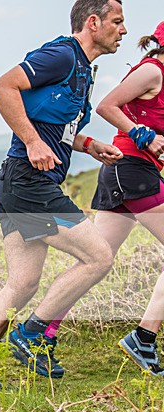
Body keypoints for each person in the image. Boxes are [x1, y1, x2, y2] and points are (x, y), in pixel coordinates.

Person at [0, 0, 126, 389]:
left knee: (23, 283)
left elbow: (56, 127)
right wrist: (31, 142)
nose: (124, 30)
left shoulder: (83, 69)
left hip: (21, 183)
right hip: (29, 183)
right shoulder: (62, 55)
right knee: (98, 256)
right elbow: (2, 87)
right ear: (93, 21)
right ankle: (32, 335)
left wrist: (89, 145)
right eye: (117, 22)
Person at [85, 22, 164, 374]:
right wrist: (143, 135)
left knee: (95, 261)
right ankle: (144, 338)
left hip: (128, 170)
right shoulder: (152, 70)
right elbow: (106, 104)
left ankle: (40, 330)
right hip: (130, 168)